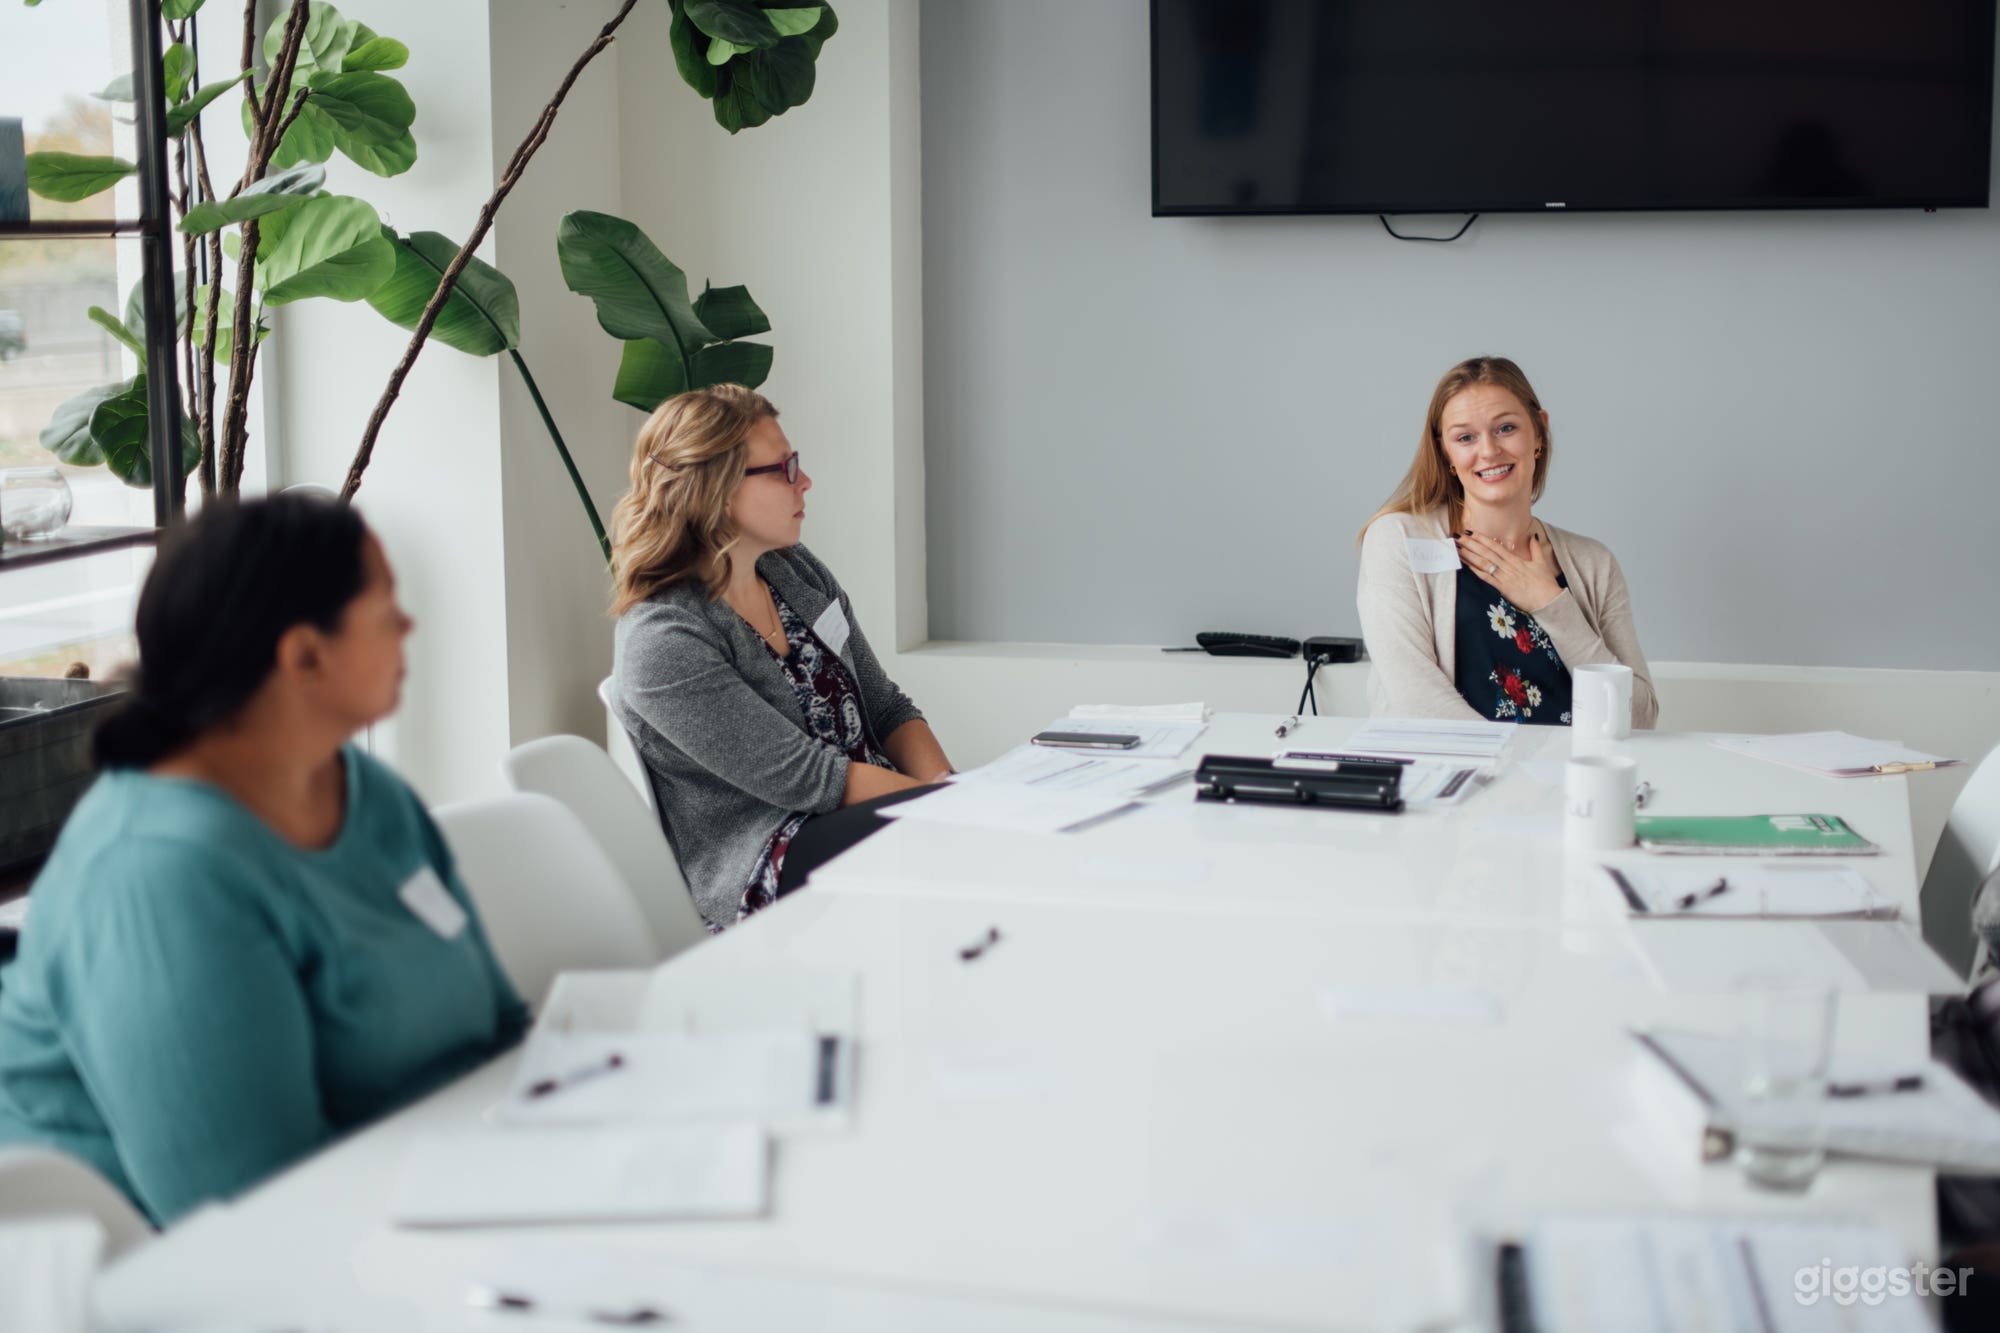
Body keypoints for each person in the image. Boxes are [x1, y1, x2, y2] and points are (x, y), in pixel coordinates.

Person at [0, 496, 526, 1227]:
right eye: (385, 608)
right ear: (304, 654)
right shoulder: (156, 875)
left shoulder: (359, 788)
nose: (408, 626)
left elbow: (499, 1027)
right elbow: (253, 1214)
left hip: (442, 1200)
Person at [609, 385, 952, 932]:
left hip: (878, 815)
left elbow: (886, 707)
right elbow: (814, 780)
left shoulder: (795, 570)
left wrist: (945, 787)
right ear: (715, 490)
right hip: (774, 861)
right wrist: (954, 811)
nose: (805, 481)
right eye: (784, 468)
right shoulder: (663, 640)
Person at [1356, 356, 1658, 727]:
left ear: (1539, 432)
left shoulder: (1593, 563)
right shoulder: (1396, 539)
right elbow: (1416, 702)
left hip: (1572, 779)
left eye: (1506, 428)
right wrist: (1520, 773)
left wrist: (1552, 604)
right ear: (1445, 453)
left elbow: (1640, 717)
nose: (1488, 451)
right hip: (1453, 778)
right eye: (1465, 437)